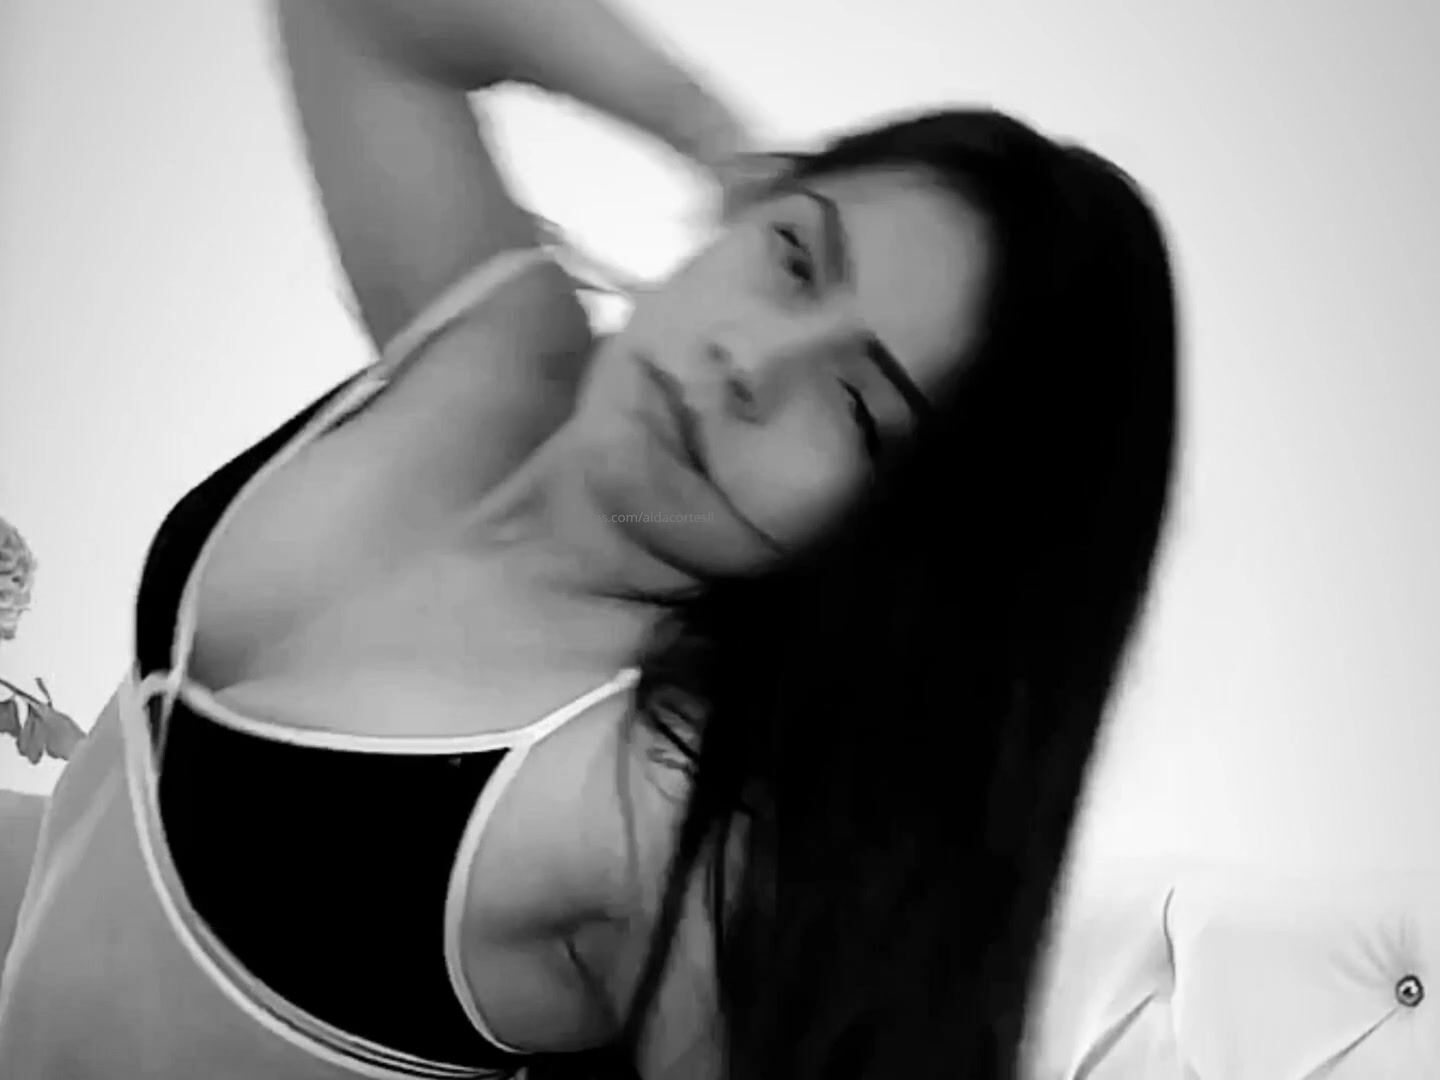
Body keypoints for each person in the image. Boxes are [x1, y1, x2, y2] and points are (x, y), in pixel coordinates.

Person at [0, 0, 1179, 1077]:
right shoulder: (491, 345)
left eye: (858, 405)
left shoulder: (657, 818)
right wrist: (707, 131)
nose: (749, 362)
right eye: (793, 257)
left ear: (907, 546)